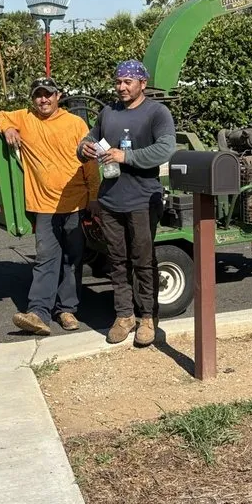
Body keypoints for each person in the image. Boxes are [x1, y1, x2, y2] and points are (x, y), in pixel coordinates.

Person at [77, 60, 176, 347]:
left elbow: (165, 148)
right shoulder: (108, 112)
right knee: (116, 262)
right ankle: (124, 316)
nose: (121, 87)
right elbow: (90, 138)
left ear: (142, 84)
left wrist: (127, 157)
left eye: (127, 82)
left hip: (143, 199)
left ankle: (147, 317)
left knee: (143, 260)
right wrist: (83, 147)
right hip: (111, 200)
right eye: (118, 81)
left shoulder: (157, 112)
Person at [0, 77, 99, 336]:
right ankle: (38, 313)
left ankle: (67, 310)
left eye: (48, 94)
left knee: (72, 260)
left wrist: (94, 198)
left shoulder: (75, 123)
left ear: (58, 96)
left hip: (75, 203)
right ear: (32, 98)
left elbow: (90, 163)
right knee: (45, 259)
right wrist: (7, 128)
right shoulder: (25, 118)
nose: (43, 99)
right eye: (38, 95)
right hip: (44, 206)